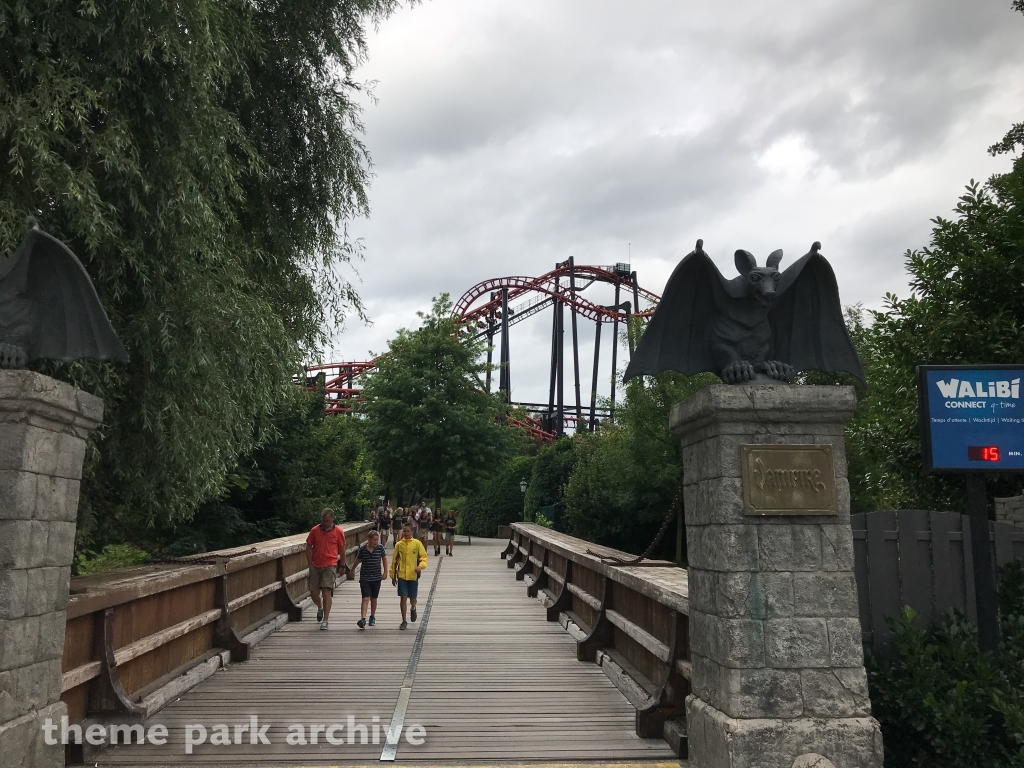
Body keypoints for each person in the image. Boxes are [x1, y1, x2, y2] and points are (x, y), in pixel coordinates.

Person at [305, 509, 347, 630]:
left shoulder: (338, 531)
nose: (325, 523)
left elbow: (342, 549)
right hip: (316, 564)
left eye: (327, 521)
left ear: (333, 518)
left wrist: (342, 565)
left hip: (330, 564)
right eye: (323, 521)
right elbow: (308, 546)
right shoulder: (315, 530)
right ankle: (320, 607)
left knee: (326, 591)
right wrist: (310, 562)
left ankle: (326, 620)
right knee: (313, 593)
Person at [390, 524, 427, 630]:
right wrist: (393, 575)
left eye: (408, 531)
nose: (406, 533)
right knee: (403, 597)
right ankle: (404, 620)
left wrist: (420, 566)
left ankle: (413, 607)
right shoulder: (399, 545)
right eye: (404, 531)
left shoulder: (417, 544)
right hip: (402, 575)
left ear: (412, 532)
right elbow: (394, 561)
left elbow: (423, 557)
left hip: (413, 575)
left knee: (413, 598)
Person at [353, 530, 387, 629]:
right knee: (365, 598)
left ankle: (372, 616)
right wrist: (352, 570)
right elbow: (357, 560)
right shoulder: (363, 549)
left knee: (374, 598)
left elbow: (384, 559)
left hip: (376, 577)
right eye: (374, 540)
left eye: (377, 540)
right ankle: (363, 618)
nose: (376, 542)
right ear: (369, 539)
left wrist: (385, 572)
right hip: (365, 577)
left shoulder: (380, 548)